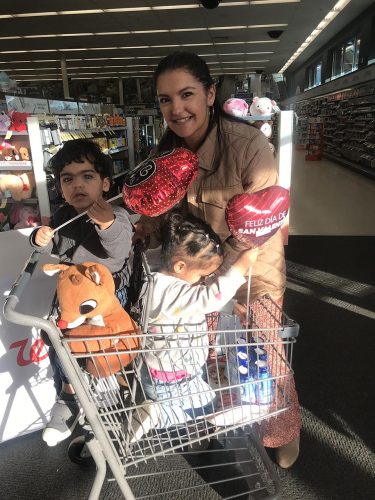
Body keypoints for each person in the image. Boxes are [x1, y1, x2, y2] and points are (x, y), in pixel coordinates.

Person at [133, 51, 301, 468]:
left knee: (266, 354)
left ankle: (281, 429)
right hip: (196, 279)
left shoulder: (247, 146)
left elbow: (263, 222)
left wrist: (237, 286)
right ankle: (220, 425)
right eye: (165, 100)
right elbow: (158, 216)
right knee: (208, 357)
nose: (177, 108)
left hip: (252, 274)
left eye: (186, 94)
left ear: (210, 94)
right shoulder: (166, 153)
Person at [30, 138, 133, 446]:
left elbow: (118, 249)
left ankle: (104, 389)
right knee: (55, 341)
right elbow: (56, 248)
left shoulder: (117, 216)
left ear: (105, 183)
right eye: (68, 179)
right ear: (60, 187)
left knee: (96, 348)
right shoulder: (63, 216)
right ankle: (68, 393)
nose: (77, 184)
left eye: (87, 176)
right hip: (70, 298)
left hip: (104, 299)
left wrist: (107, 223)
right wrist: (40, 239)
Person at [133, 210, 258, 438]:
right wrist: (241, 267)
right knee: (206, 409)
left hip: (158, 371)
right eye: (202, 276)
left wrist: (230, 306)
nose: (203, 282)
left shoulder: (156, 278)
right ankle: (160, 415)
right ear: (180, 266)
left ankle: (160, 409)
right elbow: (207, 297)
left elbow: (195, 302)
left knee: (201, 402)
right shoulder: (172, 292)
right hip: (176, 378)